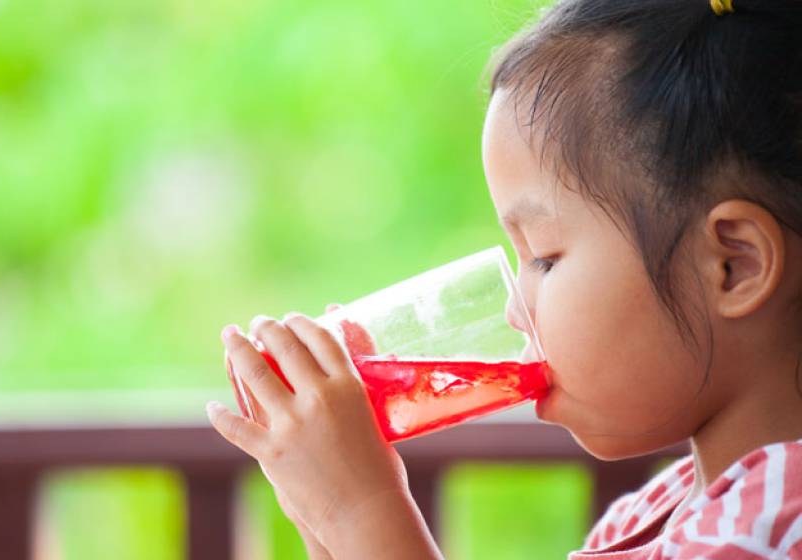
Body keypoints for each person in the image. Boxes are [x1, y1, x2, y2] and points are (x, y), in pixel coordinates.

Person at [207, 0, 802, 557]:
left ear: (733, 265)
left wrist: (363, 512)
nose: (517, 308)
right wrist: (325, 507)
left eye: (544, 257)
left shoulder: (776, 519)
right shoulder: (662, 509)